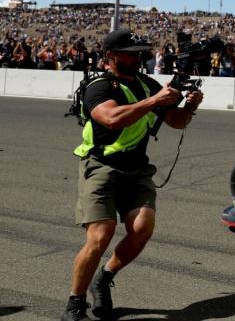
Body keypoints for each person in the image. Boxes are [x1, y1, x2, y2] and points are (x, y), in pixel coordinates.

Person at [62, 29, 203, 321]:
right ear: (111, 56)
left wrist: (189, 105)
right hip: (100, 166)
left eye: (139, 52)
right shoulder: (98, 86)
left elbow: (176, 121)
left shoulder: (147, 83)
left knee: (142, 228)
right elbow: (111, 119)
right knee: (100, 236)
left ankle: (105, 276)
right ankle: (75, 303)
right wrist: (154, 100)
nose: (137, 56)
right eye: (130, 52)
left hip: (136, 168)